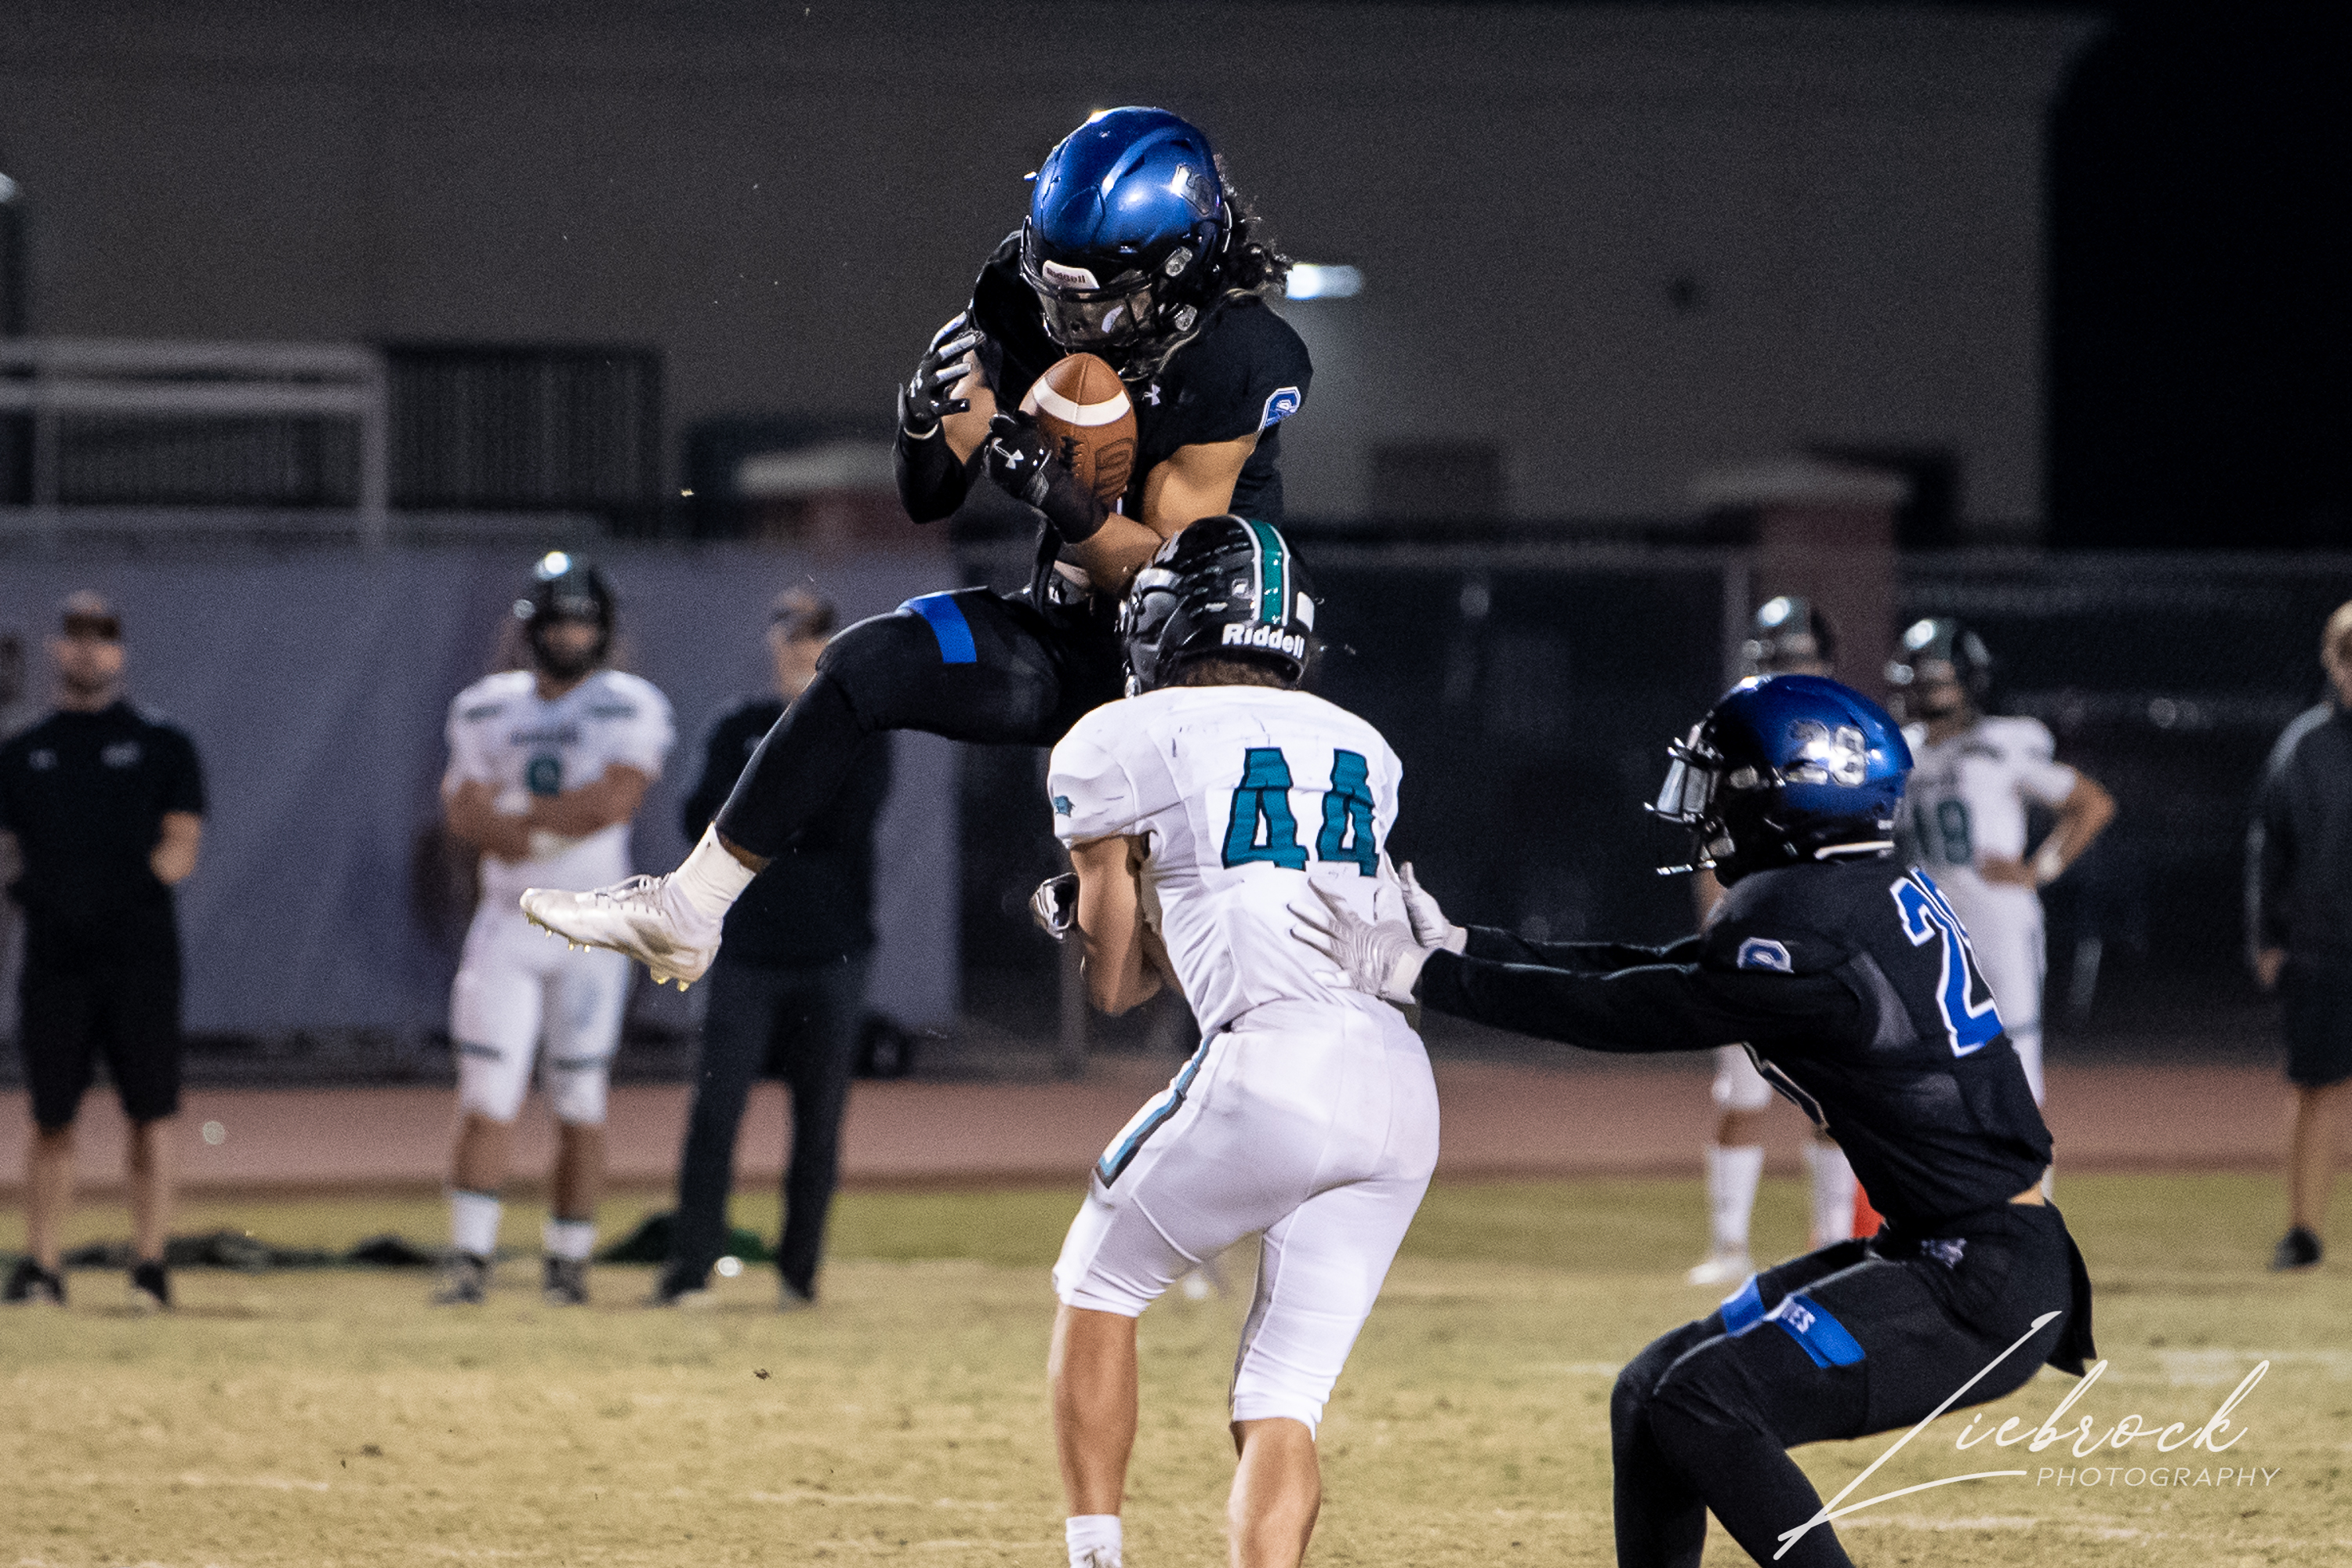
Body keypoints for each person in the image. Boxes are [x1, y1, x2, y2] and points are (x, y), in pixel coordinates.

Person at [1296, 673, 2095, 1568]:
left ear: (1793, 794)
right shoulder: (1852, 893)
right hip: (1943, 1249)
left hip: (1976, 1278)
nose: (1708, 807)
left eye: (1728, 782)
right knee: (1648, 1393)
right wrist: (1468, 946)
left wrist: (1430, 978)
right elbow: (1657, 970)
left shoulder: (1807, 918)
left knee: (1706, 1399)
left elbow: (1638, 1010)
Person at [519, 107, 1311, 988]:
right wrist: (924, 427)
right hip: (1068, 631)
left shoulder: (1240, 356)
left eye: (1102, 299)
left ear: (1181, 271)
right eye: (1060, 294)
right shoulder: (1020, 292)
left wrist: (1053, 492)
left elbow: (1165, 576)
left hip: (1194, 675)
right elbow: (930, 497)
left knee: (1127, 980)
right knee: (867, 664)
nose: (1073, 321)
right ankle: (690, 909)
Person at [1033, 518, 1436, 1568]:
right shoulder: (1364, 743)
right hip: (1399, 1083)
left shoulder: (1120, 735)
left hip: (1273, 1061)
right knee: (1283, 1395)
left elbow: (1117, 986)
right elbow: (1262, 911)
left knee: (1097, 1283)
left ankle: (1094, 1557)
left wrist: (1090, 908)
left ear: (1171, 621)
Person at [434, 554, 673, 1306]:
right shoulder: (484, 706)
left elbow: (610, 804)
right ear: (531, 627)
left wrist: (517, 821)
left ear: (603, 630)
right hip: (508, 923)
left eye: (582, 622)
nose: (570, 635)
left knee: (579, 1099)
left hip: (592, 930)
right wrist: (541, 825)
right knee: (487, 1092)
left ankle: (567, 1262)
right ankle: (470, 1259)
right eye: (558, 621)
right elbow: (462, 813)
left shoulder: (631, 704)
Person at [649, 588, 891, 1309]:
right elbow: (697, 819)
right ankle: (689, 1271)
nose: (800, 647)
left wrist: (754, 823)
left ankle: (798, 1276)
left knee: (819, 1121)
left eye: (814, 634)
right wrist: (776, 820)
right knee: (715, 1112)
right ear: (772, 642)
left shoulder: (862, 727)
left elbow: (842, 825)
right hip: (747, 949)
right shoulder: (738, 727)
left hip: (833, 952)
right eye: (789, 633)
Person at [1, 593, 205, 1310]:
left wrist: (109, 896)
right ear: (57, 648)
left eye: (103, 637)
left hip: (138, 959)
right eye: (77, 635)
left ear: (121, 651)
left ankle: (150, 1265)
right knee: (51, 1115)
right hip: (56, 960)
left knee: (151, 1112)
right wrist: (41, 894)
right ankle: (42, 1266)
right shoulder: (22, 753)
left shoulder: (163, 745)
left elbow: (182, 845)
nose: (89, 649)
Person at [1686, 597, 1860, 1285]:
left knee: (1836, 1097)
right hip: (1754, 923)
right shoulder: (1729, 730)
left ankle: (1834, 1240)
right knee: (1742, 1093)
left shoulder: (1851, 732)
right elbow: (1708, 845)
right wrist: (1716, 927)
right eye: (1778, 658)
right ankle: (1728, 1245)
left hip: (1826, 927)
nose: (1789, 671)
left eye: (1800, 658)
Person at [1888, 619, 2115, 1130]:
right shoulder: (1898, 752)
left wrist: (2040, 868)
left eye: (1942, 680)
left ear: (1969, 682)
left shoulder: (2004, 742)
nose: (1931, 692)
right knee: (1927, 1076)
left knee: (2015, 1071)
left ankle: (2028, 1183)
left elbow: (2092, 804)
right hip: (1924, 927)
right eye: (1924, 680)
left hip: (1996, 922)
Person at [2249, 598, 2352, 1271]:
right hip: (2324, 945)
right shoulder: (2305, 746)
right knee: (2316, 1086)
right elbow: (2268, 848)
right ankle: (2304, 1230)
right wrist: (2266, 937)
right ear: (2332, 662)